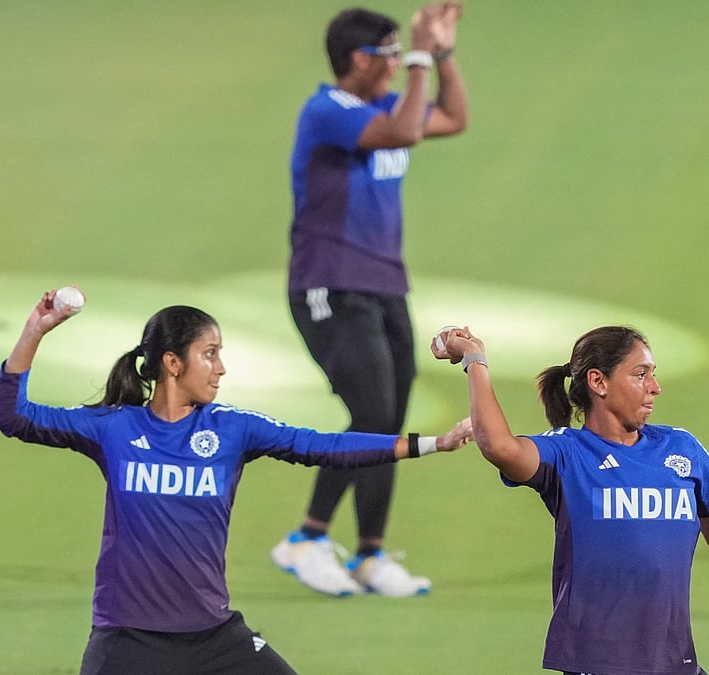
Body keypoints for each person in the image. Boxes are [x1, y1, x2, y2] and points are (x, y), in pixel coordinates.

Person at [0, 293, 471, 675]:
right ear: (173, 363)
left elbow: (322, 446)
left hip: (213, 639)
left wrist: (430, 444)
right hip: (127, 641)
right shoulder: (113, 427)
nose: (221, 368)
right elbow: (11, 415)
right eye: (210, 354)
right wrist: (36, 330)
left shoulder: (232, 429)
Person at [430, 324, 709, 674]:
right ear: (598, 382)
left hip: (673, 659)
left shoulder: (681, 449)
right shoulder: (567, 453)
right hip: (599, 663)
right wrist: (475, 359)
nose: (655, 387)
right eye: (640, 374)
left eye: (653, 374)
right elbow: (499, 446)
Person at [273, 1, 469, 598]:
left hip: (386, 286)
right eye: (389, 54)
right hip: (329, 285)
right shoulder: (327, 111)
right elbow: (406, 131)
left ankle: (369, 553)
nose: (397, 63)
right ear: (359, 60)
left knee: (388, 421)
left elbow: (453, 118)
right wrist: (419, 57)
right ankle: (306, 538)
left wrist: (441, 54)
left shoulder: (386, 106)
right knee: (372, 414)